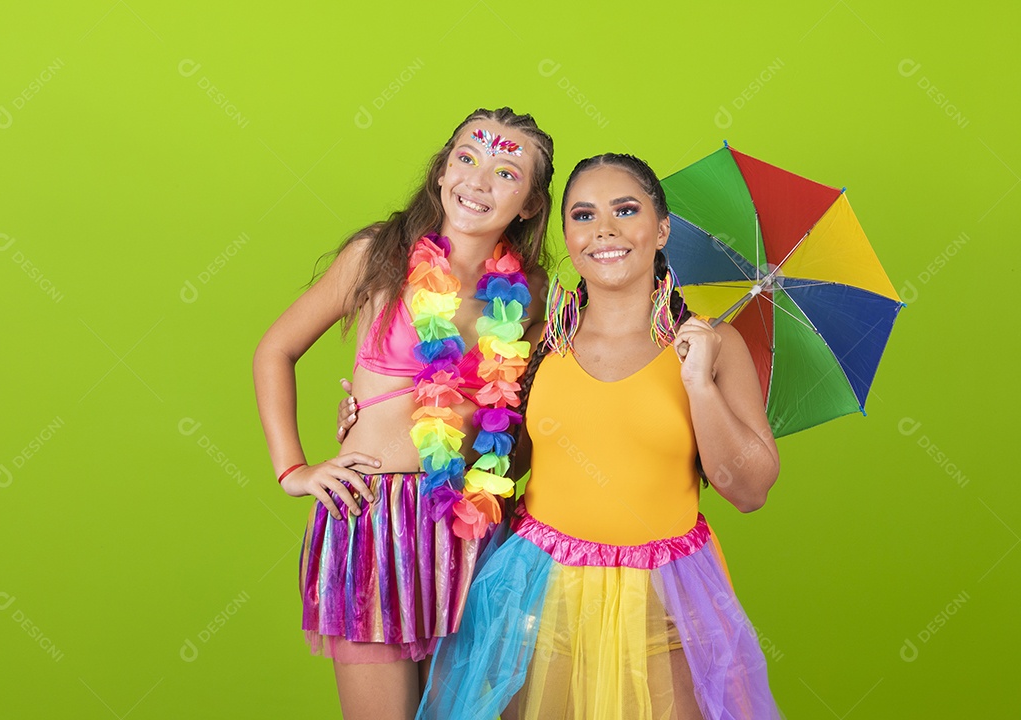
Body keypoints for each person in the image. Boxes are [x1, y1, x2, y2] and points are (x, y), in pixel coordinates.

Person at [408, 153, 783, 718]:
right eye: (583, 215)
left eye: (624, 210)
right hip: (538, 592)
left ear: (661, 230)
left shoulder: (712, 345)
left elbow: (749, 491)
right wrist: (372, 414)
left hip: (665, 598)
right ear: (567, 235)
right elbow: (492, 467)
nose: (603, 229)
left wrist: (698, 385)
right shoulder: (535, 341)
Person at [252, 107, 553, 720]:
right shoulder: (378, 258)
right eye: (466, 159)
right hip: (373, 523)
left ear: (528, 205)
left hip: (474, 527)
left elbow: (526, 428)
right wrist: (295, 470)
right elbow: (274, 350)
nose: (478, 181)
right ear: (441, 172)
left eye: (506, 172)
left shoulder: (530, 293)